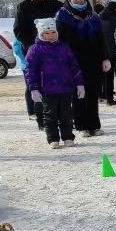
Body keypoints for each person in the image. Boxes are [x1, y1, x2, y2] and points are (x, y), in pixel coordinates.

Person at [56, 0, 110, 136]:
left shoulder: (93, 15)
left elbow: (101, 38)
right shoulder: (62, 15)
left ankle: (94, 124)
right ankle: (81, 125)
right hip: (74, 61)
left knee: (93, 93)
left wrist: (105, 57)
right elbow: (59, 40)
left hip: (93, 60)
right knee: (79, 93)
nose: (78, 0)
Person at [23, 17, 84, 149]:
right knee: (50, 115)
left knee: (66, 114)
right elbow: (30, 70)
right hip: (47, 89)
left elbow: (74, 66)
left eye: (53, 32)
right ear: (41, 34)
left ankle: (68, 137)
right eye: (46, 33)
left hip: (66, 87)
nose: (50, 35)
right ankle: (53, 138)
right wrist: (33, 88)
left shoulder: (64, 47)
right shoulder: (35, 49)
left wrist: (79, 84)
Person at [99, 1, 116, 106]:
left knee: (108, 78)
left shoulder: (100, 19)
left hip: (106, 53)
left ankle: (109, 99)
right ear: (115, 9)